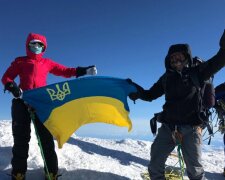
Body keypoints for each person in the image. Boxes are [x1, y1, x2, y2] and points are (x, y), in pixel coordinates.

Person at [128, 30, 225, 180]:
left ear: (187, 58)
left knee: (195, 171)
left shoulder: (198, 72)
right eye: (172, 57)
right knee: (155, 164)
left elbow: (220, 59)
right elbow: (149, 95)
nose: (175, 60)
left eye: (179, 56)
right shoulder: (166, 78)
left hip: (191, 129)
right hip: (169, 127)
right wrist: (135, 90)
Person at [1, 33, 97, 180]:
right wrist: (12, 87)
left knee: (45, 138)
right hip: (21, 102)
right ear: (28, 45)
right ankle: (18, 173)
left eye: (40, 45)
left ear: (44, 47)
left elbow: (65, 71)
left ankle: (51, 172)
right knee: (21, 139)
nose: (36, 47)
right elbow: (6, 77)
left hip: (41, 103)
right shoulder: (20, 62)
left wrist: (84, 70)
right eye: (33, 44)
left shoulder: (47, 63)